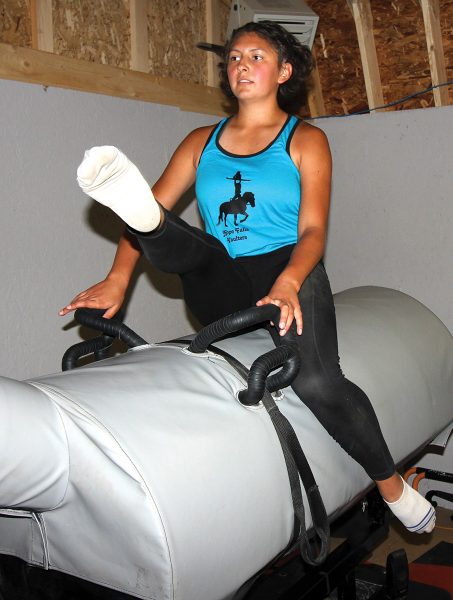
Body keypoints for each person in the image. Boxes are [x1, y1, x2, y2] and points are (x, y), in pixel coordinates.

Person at [60, 21, 435, 534]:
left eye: (255, 57)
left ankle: (391, 485)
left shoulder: (306, 140)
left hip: (288, 268)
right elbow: (165, 245)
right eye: (234, 58)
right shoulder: (200, 143)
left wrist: (290, 281)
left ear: (284, 71)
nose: (241, 66)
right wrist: (119, 280)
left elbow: (314, 231)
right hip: (223, 277)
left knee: (320, 379)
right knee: (197, 246)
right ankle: (148, 218)